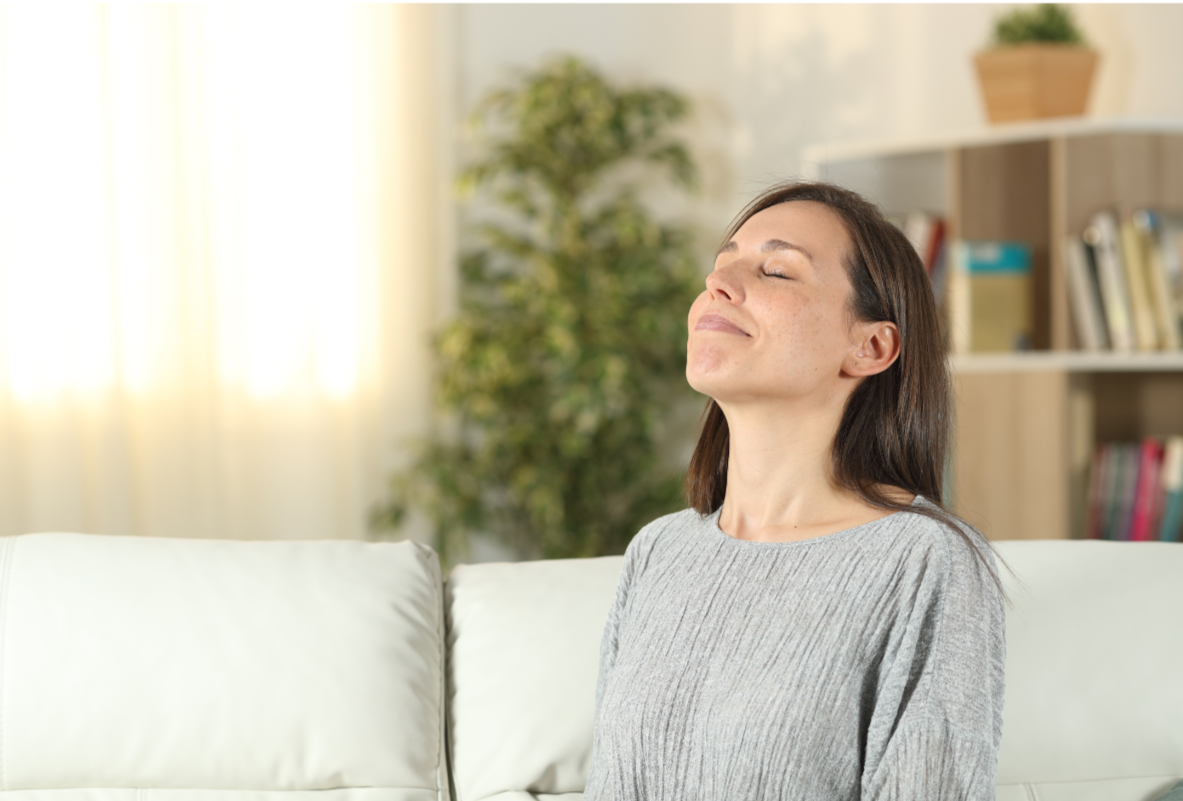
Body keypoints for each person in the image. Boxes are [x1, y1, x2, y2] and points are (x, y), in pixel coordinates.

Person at [584, 182, 1006, 800]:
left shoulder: (923, 561)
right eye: (721, 263)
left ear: (870, 346)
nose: (718, 283)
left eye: (777, 271)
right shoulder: (659, 551)